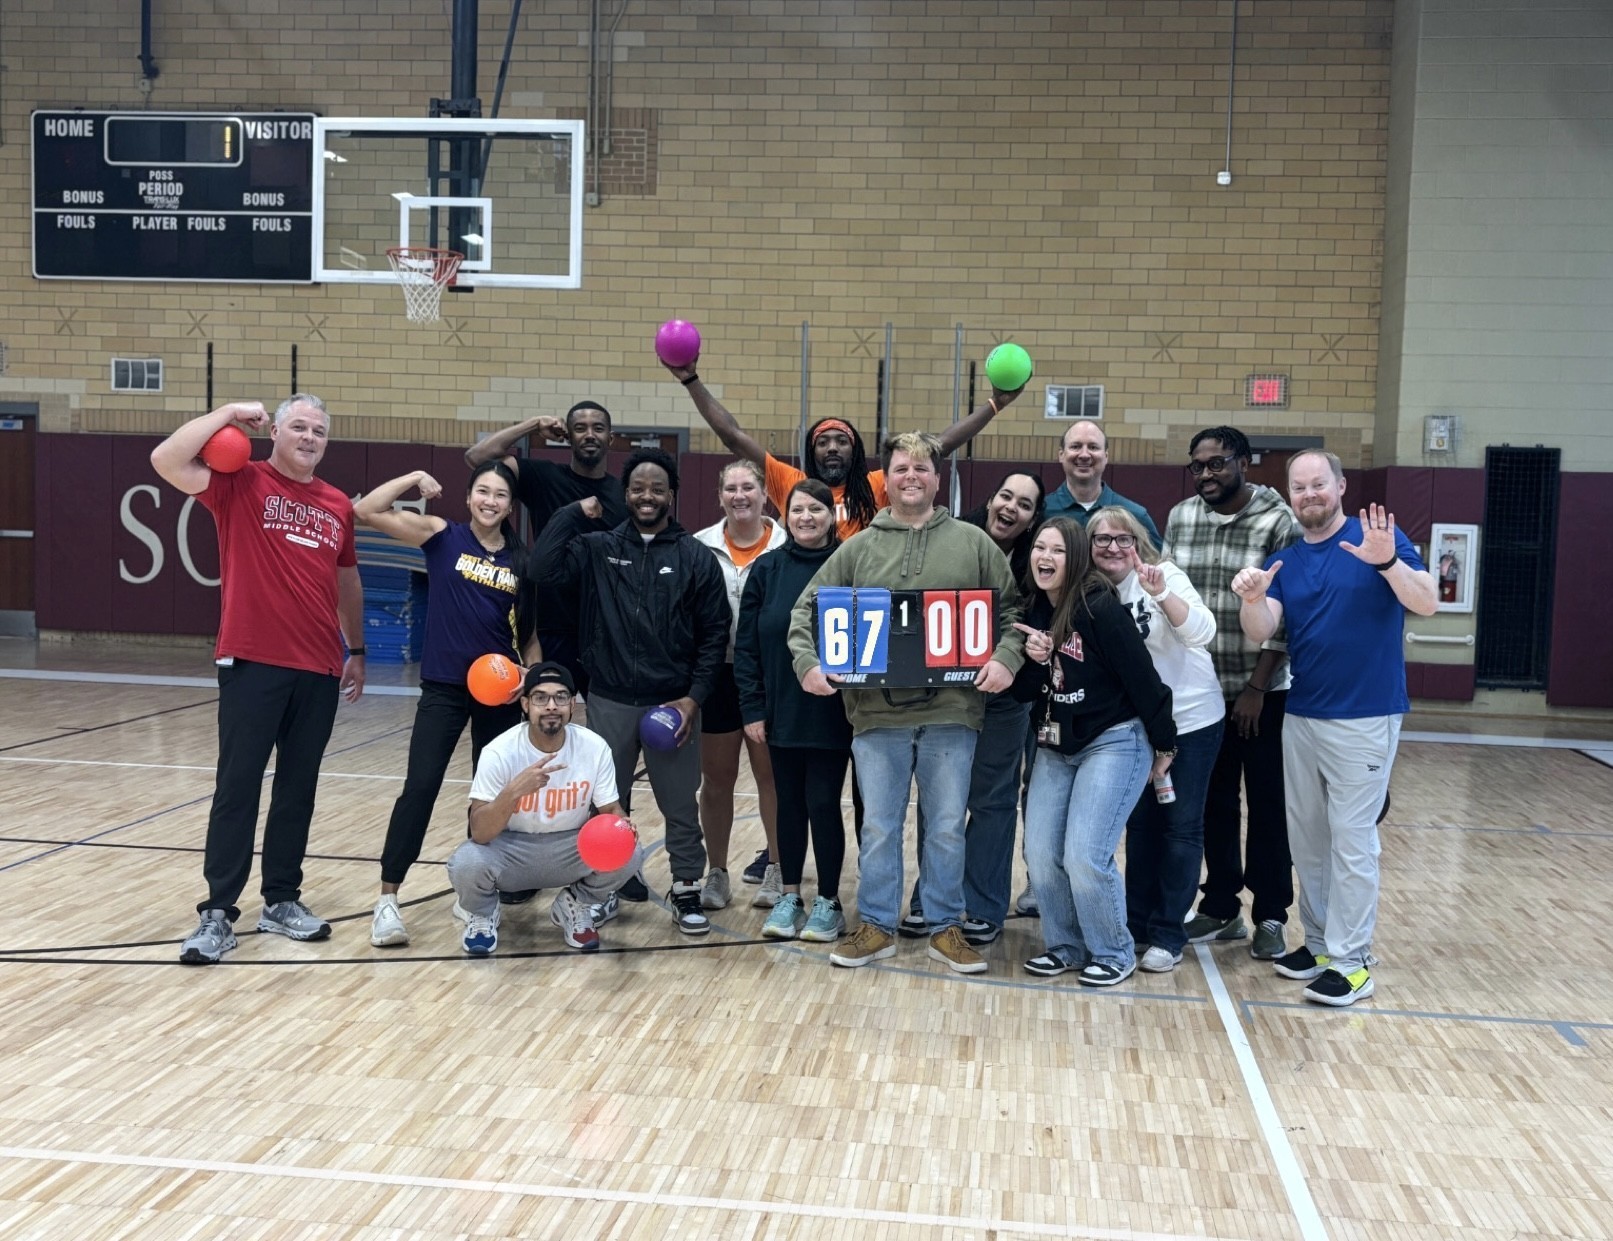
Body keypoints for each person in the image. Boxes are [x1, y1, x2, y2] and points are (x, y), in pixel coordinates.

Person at [786, 431, 1024, 974]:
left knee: (944, 824)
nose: (911, 477)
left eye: (922, 468)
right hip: (876, 715)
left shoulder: (973, 543)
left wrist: (1006, 658)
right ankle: (876, 924)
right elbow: (805, 614)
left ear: (938, 479)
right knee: (880, 826)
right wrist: (809, 664)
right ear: (885, 478)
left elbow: (1011, 614)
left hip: (953, 713)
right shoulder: (858, 547)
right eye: (901, 468)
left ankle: (945, 927)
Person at [150, 395, 365, 965]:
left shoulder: (337, 504)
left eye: (320, 430)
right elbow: (166, 460)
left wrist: (358, 648)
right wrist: (225, 414)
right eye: (299, 426)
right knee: (238, 787)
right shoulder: (239, 482)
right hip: (252, 660)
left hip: (318, 667)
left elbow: (347, 582)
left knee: (298, 789)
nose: (310, 437)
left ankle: (281, 901)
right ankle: (218, 911)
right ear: (275, 431)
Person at [1234, 450, 1437, 1006]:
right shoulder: (1289, 561)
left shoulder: (1379, 540)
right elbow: (1261, 630)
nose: (1309, 495)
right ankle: (1321, 943)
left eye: (1318, 484)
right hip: (1303, 716)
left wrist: (1387, 562)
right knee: (1310, 840)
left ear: (1341, 486)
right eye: (1298, 488)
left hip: (1367, 716)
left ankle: (1354, 962)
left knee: (1352, 841)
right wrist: (1252, 599)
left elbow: (1427, 603)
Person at [530, 447, 731, 935]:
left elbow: (714, 634)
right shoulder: (598, 548)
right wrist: (571, 511)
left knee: (680, 802)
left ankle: (686, 886)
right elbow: (541, 569)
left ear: (671, 495)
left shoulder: (695, 558)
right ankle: (603, 887)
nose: (647, 496)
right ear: (625, 494)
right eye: (638, 488)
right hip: (611, 698)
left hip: (672, 704)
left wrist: (692, 699)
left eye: (657, 488)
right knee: (605, 801)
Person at [355, 463, 540, 948]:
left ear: (510, 505)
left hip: (500, 695)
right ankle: (387, 900)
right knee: (419, 787)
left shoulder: (522, 560)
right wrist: (412, 476)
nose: (490, 501)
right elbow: (365, 510)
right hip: (443, 689)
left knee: (491, 797)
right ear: (468, 496)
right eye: (483, 491)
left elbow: (532, 633)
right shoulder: (441, 535)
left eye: (500, 494)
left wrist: (532, 682)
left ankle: (473, 893)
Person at [1011, 518, 1176, 987]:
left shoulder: (1099, 606)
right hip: (1056, 744)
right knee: (1040, 852)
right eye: (1040, 548)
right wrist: (1034, 660)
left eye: (1058, 551)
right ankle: (1066, 945)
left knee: (1085, 853)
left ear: (1078, 557)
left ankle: (1113, 951)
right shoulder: (1034, 608)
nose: (1045, 557)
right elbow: (1024, 692)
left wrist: (1165, 743)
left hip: (1114, 738)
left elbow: (1145, 681)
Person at [1161, 427, 1303, 960]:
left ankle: (1270, 914)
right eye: (1197, 466)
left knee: (1268, 805)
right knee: (1211, 804)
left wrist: (1258, 687)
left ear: (1243, 462)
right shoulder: (1181, 517)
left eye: (1217, 464)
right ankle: (1221, 906)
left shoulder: (1278, 520)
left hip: (1260, 693)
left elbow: (1289, 609)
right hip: (1200, 697)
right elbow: (1170, 594)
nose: (1206, 475)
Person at [661, 355, 1025, 542]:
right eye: (823, 442)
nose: (832, 448)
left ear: (855, 452)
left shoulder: (877, 484)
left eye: (841, 441)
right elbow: (733, 436)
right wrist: (691, 380)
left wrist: (994, 405)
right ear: (812, 450)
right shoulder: (794, 484)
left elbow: (938, 446)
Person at [903, 470, 1045, 943]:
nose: (1011, 507)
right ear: (991, 499)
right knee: (939, 803)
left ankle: (984, 907)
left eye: (1024, 504)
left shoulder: (1036, 564)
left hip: (1005, 700)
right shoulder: (950, 539)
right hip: (946, 695)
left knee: (994, 802)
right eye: (1006, 495)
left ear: (1032, 519)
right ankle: (932, 899)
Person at [1086, 507, 1222, 974]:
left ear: (1138, 542)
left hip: (1191, 719)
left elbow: (1202, 633)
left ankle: (1169, 932)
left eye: (1122, 539)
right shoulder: (1090, 593)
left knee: (1181, 826)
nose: (1113, 548)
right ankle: (1138, 924)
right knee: (1140, 826)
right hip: (1138, 725)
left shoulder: (1163, 575)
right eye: (1101, 540)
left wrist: (1161, 594)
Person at [446, 663, 642, 956]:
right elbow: (480, 832)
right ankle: (483, 913)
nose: (551, 706)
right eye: (540, 698)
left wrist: (621, 824)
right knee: (466, 863)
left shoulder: (593, 746)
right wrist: (514, 791)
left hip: (570, 848)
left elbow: (610, 808)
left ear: (572, 704)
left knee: (631, 851)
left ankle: (575, 904)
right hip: (511, 851)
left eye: (561, 697)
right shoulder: (499, 751)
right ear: (525, 704)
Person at [735, 479, 853, 942]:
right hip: (779, 707)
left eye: (816, 509)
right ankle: (788, 895)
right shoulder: (767, 570)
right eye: (798, 509)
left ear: (832, 516)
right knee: (788, 804)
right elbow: (746, 647)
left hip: (833, 711)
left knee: (823, 802)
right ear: (786, 516)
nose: (807, 517)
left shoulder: (849, 564)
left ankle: (828, 901)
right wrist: (752, 708)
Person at [464, 400, 628, 695]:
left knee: (606, 728)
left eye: (598, 428)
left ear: (610, 438)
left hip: (604, 629)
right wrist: (533, 425)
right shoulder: (544, 477)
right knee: (545, 716)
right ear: (569, 437)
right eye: (580, 428)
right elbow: (477, 457)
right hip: (550, 627)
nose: (589, 434)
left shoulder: (623, 495)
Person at [692, 460, 787, 912]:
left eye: (748, 486)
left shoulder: (788, 543)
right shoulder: (700, 546)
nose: (739, 494)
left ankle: (776, 868)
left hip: (770, 675)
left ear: (764, 495)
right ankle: (717, 872)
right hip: (718, 675)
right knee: (717, 779)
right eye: (730, 487)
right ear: (720, 496)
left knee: (771, 776)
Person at [1042, 420, 1161, 544]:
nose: (1084, 455)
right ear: (1061, 455)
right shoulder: (1041, 512)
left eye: (1093, 447)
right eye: (1075, 446)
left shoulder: (1136, 515)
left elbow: (1158, 560)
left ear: (1106, 456)